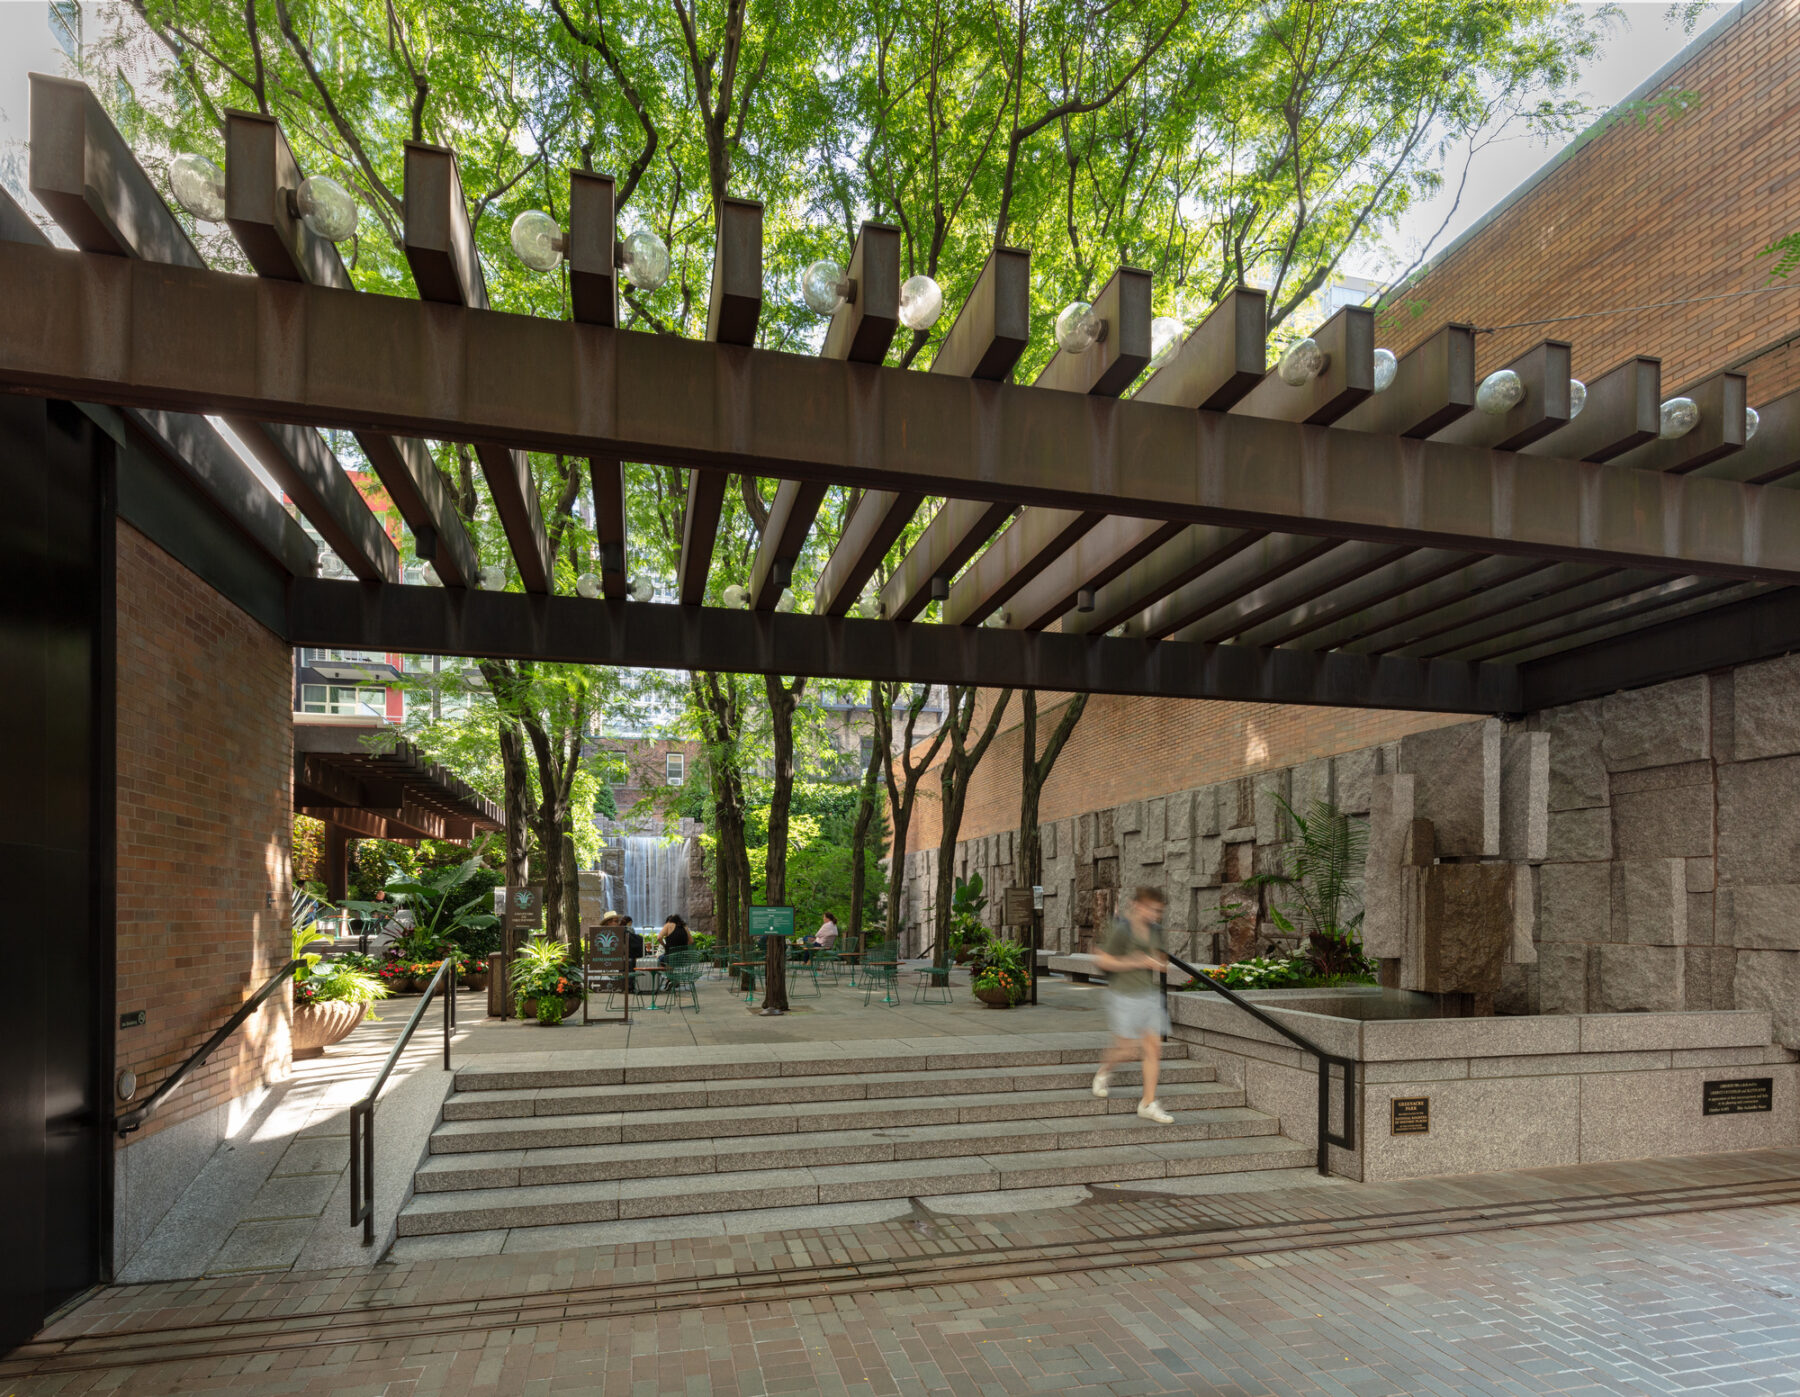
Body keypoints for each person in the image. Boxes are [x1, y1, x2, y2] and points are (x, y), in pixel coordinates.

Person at [1091, 886, 1176, 1124]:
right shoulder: (1122, 930)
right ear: (1137, 905)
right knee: (1127, 1050)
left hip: (1149, 995)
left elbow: (1160, 958)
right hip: (1123, 995)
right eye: (1151, 909)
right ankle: (1103, 1071)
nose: (1155, 915)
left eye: (1158, 911)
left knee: (1152, 1048)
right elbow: (1103, 960)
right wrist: (1134, 961)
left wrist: (1159, 963)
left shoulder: (1156, 930)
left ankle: (1148, 1103)